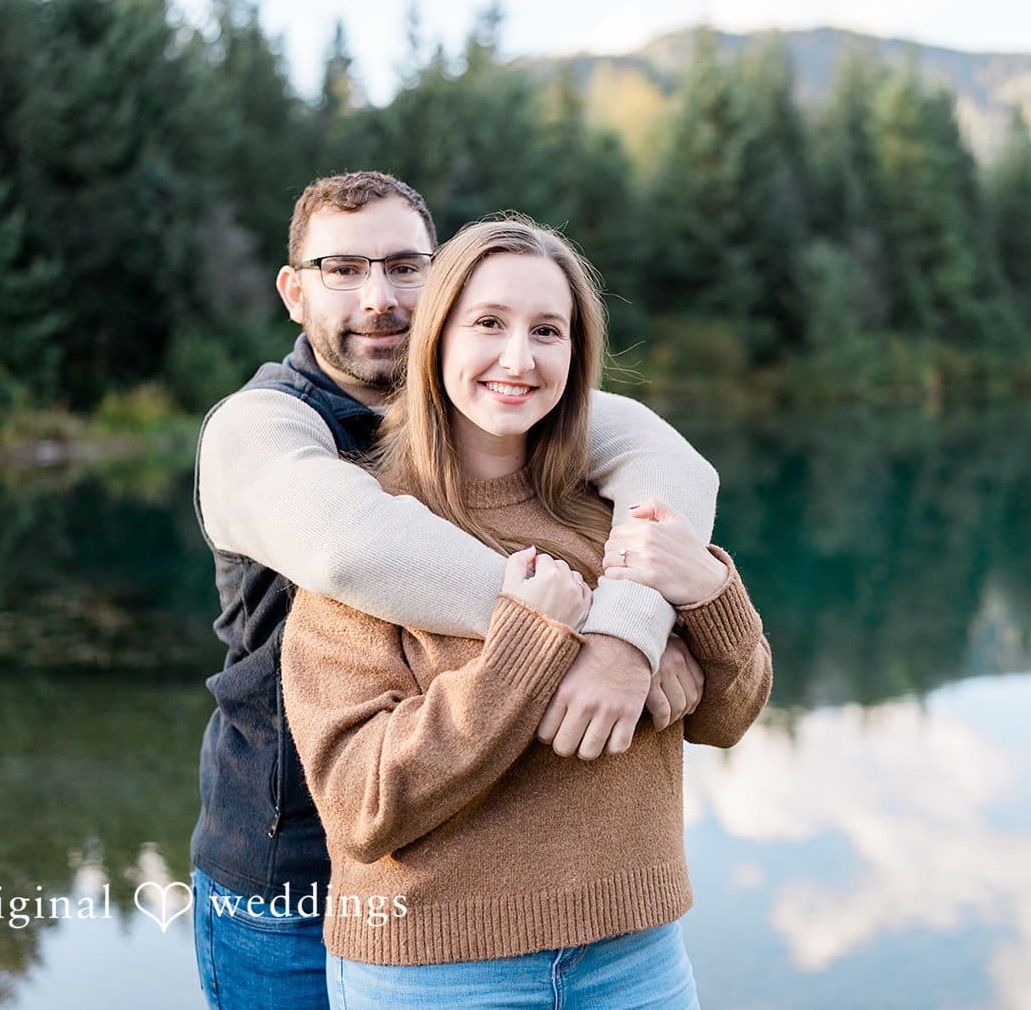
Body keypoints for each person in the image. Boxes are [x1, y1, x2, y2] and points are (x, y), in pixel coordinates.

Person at [191, 173, 719, 1010]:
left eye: (407, 267)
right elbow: (350, 547)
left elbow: (674, 469)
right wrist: (599, 641)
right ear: (294, 291)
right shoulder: (262, 428)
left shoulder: (500, 397)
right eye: (342, 269)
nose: (380, 298)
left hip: (459, 867)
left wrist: (638, 627)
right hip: (286, 859)